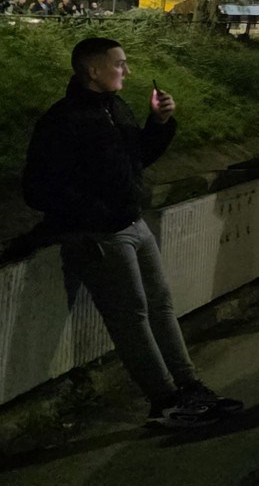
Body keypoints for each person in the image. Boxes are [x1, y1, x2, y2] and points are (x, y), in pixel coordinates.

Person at [22, 36, 243, 427]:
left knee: (160, 306)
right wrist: (97, 213)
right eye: (119, 63)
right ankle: (165, 401)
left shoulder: (114, 107)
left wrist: (159, 123)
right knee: (132, 318)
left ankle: (189, 387)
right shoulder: (63, 120)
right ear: (93, 70)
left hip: (132, 223)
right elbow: (37, 188)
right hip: (100, 235)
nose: (127, 70)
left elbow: (137, 158)